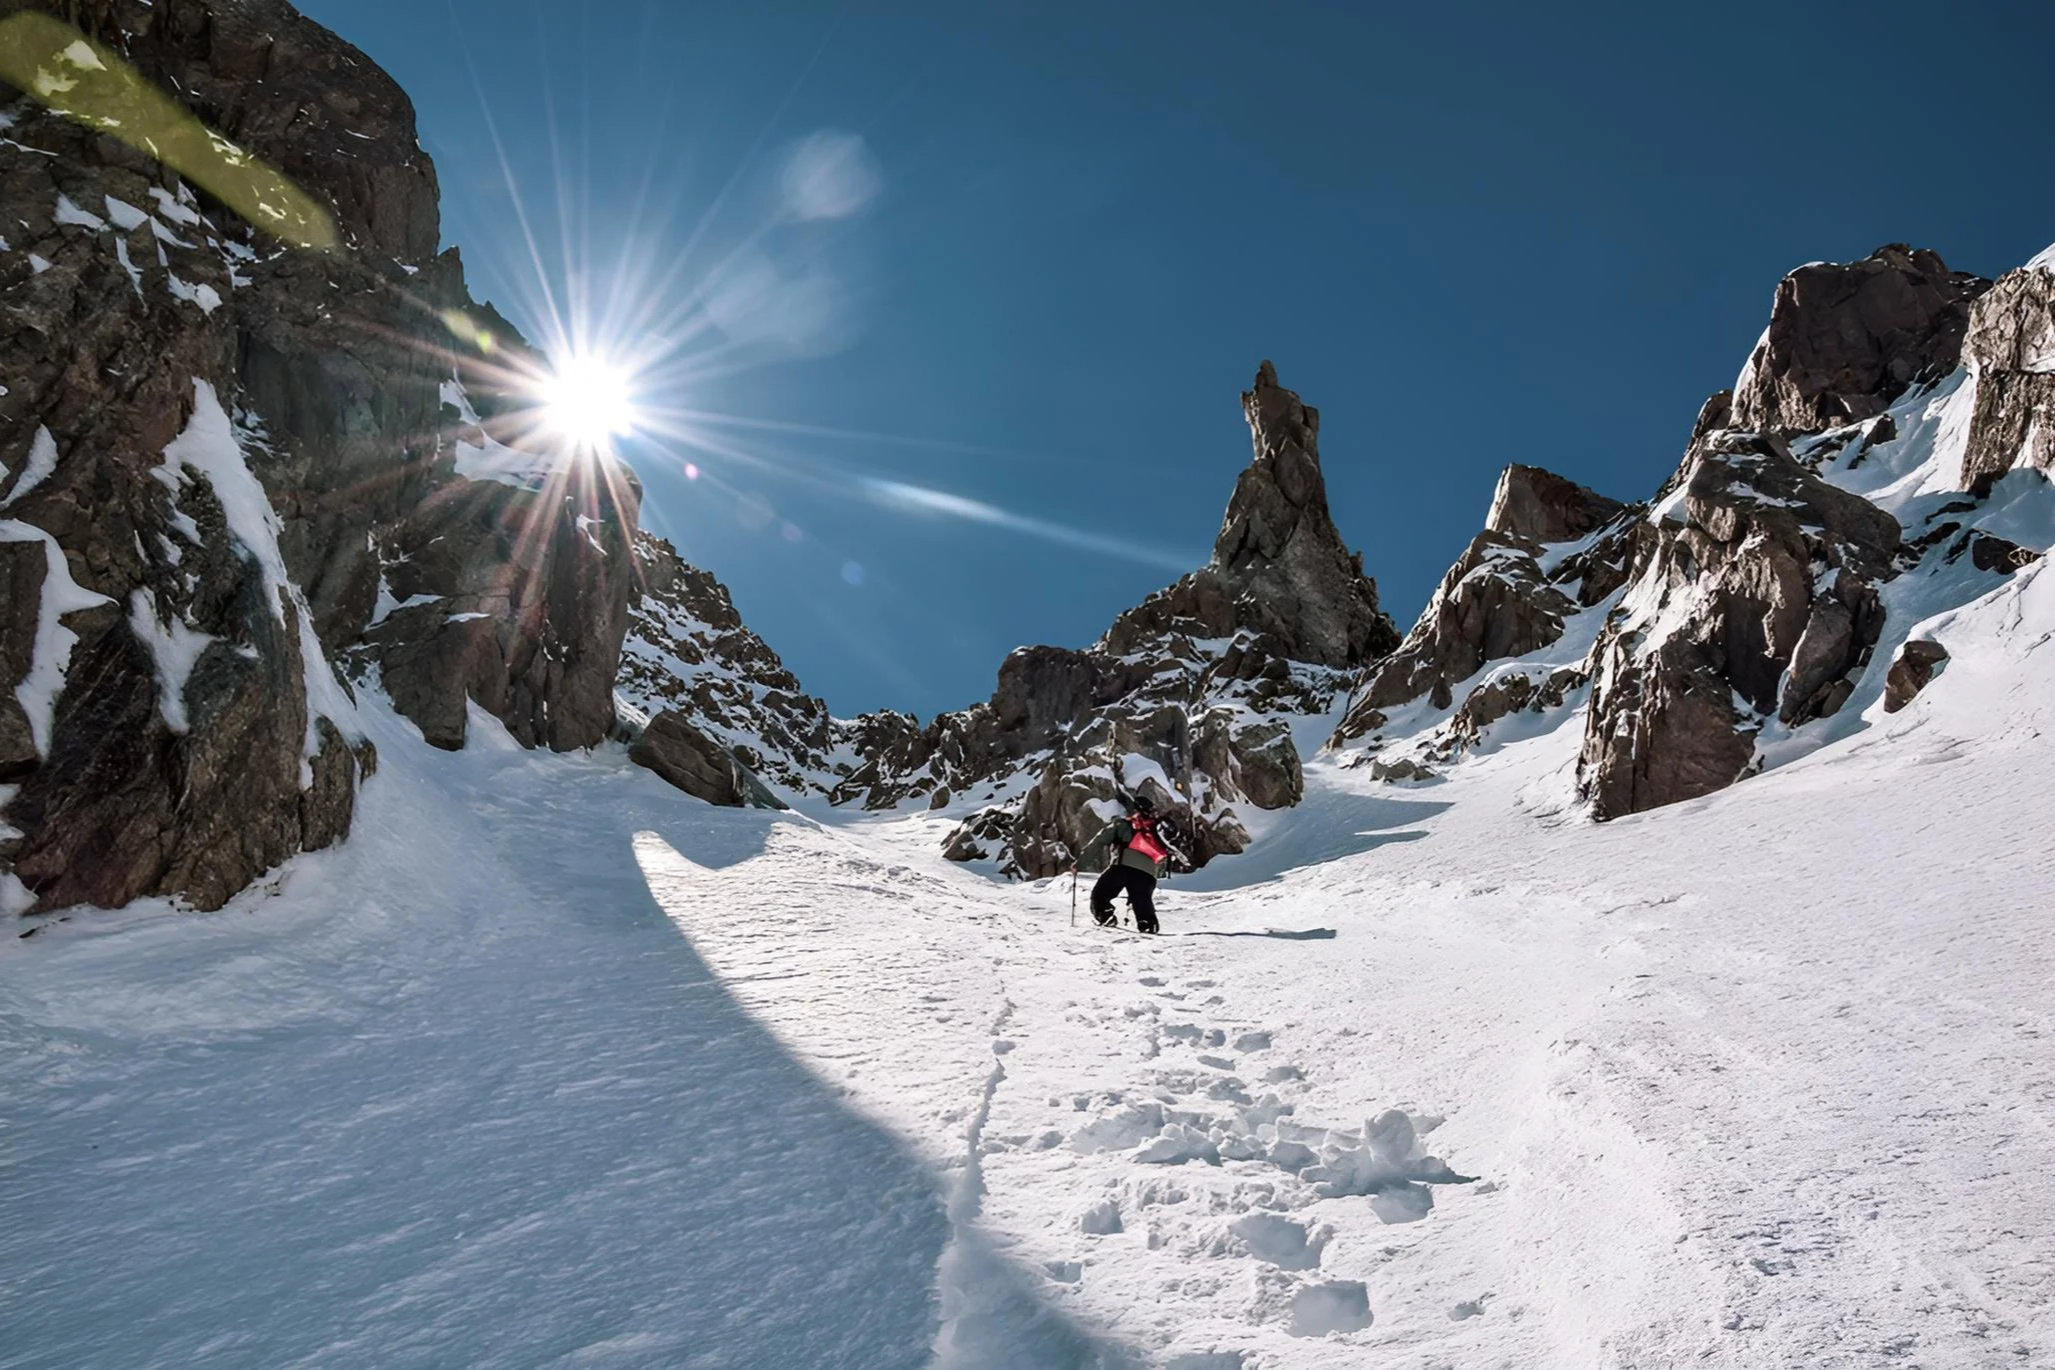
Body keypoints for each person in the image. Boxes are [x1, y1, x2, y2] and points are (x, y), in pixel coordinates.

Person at [1075, 794, 1185, 934]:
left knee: (1100, 895)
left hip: (1123, 868)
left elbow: (1099, 841)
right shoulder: (1154, 831)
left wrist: (1079, 864)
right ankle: (1149, 926)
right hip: (1148, 874)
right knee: (1142, 902)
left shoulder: (1124, 824)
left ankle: (1106, 916)